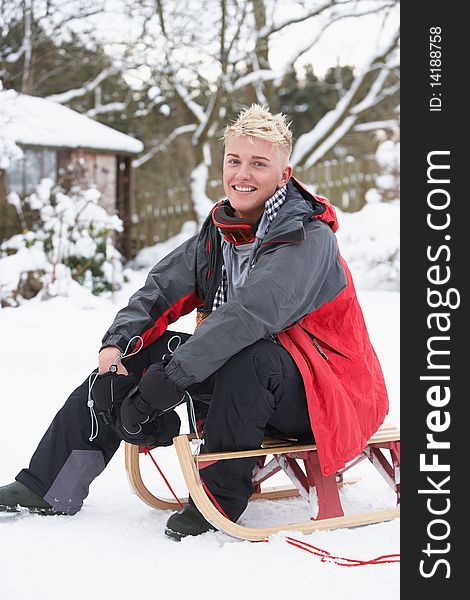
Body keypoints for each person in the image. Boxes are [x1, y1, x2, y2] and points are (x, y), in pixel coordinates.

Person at [0, 104, 389, 540]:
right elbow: (161, 289)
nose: (242, 174)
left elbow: (250, 315)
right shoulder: (221, 232)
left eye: (259, 163)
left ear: (284, 174)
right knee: (134, 359)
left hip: (326, 393)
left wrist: (169, 381)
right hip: (251, 386)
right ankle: (48, 486)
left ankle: (218, 500)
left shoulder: (306, 236)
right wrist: (118, 345)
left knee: (251, 357)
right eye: (234, 160)